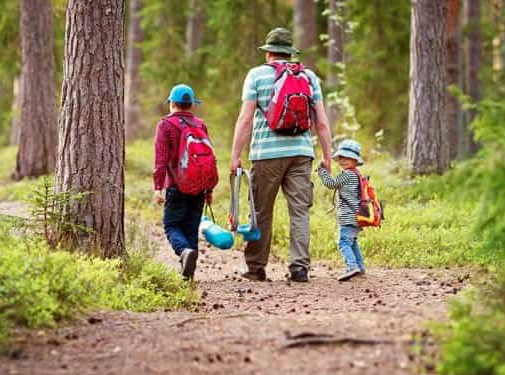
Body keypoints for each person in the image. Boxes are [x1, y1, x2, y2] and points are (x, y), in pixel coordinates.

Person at [230, 27, 332, 283]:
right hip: (301, 153)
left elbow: (245, 119)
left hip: (266, 155)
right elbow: (321, 122)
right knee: (300, 211)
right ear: (289, 53)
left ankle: (256, 268)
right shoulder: (309, 77)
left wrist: (235, 155)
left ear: (268, 54)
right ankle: (299, 268)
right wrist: (327, 156)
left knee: (261, 212)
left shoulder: (256, 76)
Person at [153, 84, 213, 280]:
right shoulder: (200, 124)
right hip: (199, 187)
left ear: (171, 103)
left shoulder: (165, 124)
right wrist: (209, 189)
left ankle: (184, 251)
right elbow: (208, 158)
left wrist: (158, 188)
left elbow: (161, 159)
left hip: (176, 185)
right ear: (192, 106)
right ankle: (189, 276)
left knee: (171, 225)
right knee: (191, 228)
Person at [317, 139, 366, 281]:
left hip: (349, 217)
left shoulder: (348, 174)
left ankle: (352, 267)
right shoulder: (357, 174)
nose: (343, 161)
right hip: (357, 216)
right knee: (352, 242)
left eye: (348, 158)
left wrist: (322, 171)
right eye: (341, 158)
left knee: (343, 242)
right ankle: (360, 267)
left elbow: (331, 184)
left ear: (355, 160)